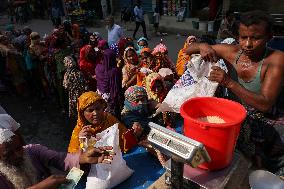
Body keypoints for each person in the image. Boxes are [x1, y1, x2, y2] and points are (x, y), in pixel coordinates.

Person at [185, 10, 284, 175]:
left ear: (269, 37)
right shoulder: (232, 51)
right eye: (243, 37)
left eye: (256, 38)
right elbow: (190, 49)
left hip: (266, 118)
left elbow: (265, 103)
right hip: (236, 114)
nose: (248, 44)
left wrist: (228, 82)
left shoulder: (276, 59)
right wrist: (203, 46)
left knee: (270, 164)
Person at [0, 115, 114, 189]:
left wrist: (82, 158)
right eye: (8, 154)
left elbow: (61, 159)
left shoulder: (32, 151)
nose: (18, 154)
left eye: (19, 148)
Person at [68, 91, 132, 153]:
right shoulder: (79, 131)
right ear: (82, 113)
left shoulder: (110, 120)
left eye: (98, 109)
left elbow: (125, 139)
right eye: (90, 110)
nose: (95, 113)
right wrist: (83, 142)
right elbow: (75, 159)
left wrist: (135, 134)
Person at [95, 49, 123, 118]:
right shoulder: (114, 71)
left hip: (100, 94)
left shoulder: (98, 67)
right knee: (112, 117)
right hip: (111, 97)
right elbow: (116, 88)